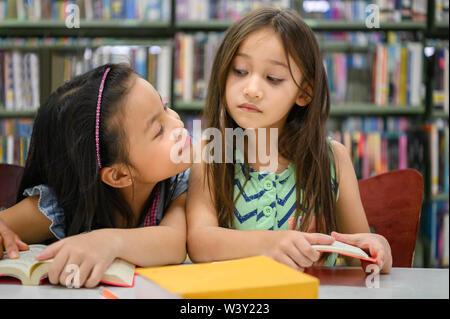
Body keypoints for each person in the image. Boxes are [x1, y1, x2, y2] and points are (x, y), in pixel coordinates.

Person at [186, 7, 392, 274]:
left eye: (273, 78)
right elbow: (200, 242)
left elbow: (360, 259)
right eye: (239, 71)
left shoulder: (333, 158)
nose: (251, 89)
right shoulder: (210, 152)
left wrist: (376, 248)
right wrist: (271, 243)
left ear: (304, 93)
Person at [0, 63, 192, 287]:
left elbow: (174, 242)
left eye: (165, 107)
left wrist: (109, 241)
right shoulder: (60, 205)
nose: (177, 123)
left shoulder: (178, 184)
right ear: (118, 175)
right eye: (159, 130)